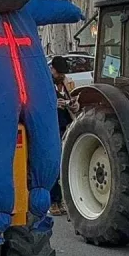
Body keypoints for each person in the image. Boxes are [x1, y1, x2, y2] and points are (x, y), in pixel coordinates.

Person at [48, 56, 78, 216]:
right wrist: (54, 104)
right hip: (53, 127)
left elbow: (72, 101)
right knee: (55, 164)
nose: (62, 76)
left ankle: (60, 201)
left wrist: (73, 103)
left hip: (65, 125)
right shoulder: (46, 84)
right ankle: (53, 201)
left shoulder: (65, 84)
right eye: (60, 73)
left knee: (63, 165)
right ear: (52, 69)